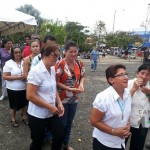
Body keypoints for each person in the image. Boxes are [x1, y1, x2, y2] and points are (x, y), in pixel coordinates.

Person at [26, 43, 65, 150]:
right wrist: (50, 107)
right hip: (38, 115)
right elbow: (30, 96)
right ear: (45, 54)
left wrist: (59, 103)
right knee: (38, 141)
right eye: (55, 55)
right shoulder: (36, 71)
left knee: (60, 134)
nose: (57, 59)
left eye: (58, 56)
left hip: (51, 112)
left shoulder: (52, 69)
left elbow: (53, 88)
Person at [90, 64, 131, 150]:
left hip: (120, 142)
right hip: (105, 143)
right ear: (111, 80)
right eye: (121, 75)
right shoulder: (103, 97)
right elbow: (94, 121)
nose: (126, 77)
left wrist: (128, 125)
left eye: (126, 74)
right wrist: (114, 131)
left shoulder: (127, 93)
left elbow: (126, 112)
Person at [55, 41, 85, 150]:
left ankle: (65, 144)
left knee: (69, 123)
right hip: (62, 98)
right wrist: (69, 88)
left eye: (75, 51)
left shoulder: (79, 63)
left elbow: (83, 76)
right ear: (65, 52)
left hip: (74, 98)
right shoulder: (60, 64)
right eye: (70, 51)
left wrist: (81, 84)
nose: (73, 54)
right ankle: (57, 144)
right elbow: (56, 82)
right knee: (61, 123)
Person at [126, 63, 150, 150]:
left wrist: (148, 95)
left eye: (148, 74)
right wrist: (133, 89)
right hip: (127, 119)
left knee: (138, 145)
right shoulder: (128, 84)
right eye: (142, 73)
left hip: (144, 118)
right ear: (137, 73)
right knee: (121, 143)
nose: (144, 76)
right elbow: (120, 102)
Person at [3, 46, 28, 127]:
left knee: (24, 103)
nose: (18, 54)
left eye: (19, 52)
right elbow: (5, 77)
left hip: (24, 87)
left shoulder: (25, 61)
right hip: (12, 88)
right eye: (15, 52)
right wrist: (18, 77)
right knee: (13, 105)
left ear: (21, 53)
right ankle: (13, 119)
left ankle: (24, 116)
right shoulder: (8, 63)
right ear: (12, 54)